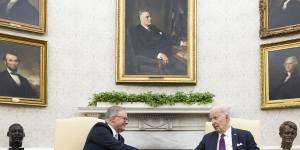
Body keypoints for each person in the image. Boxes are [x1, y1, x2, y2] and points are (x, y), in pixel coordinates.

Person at [129, 10, 187, 75]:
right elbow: (140, 49)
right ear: (140, 18)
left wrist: (180, 42)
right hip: (155, 59)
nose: (150, 18)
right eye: (147, 17)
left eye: (150, 16)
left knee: (184, 64)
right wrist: (159, 54)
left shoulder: (153, 27)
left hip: (168, 55)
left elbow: (165, 37)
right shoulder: (136, 31)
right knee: (181, 68)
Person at [194, 105, 259, 150]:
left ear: (227, 118)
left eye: (215, 118)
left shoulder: (245, 135)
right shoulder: (207, 138)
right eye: (211, 119)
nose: (213, 122)